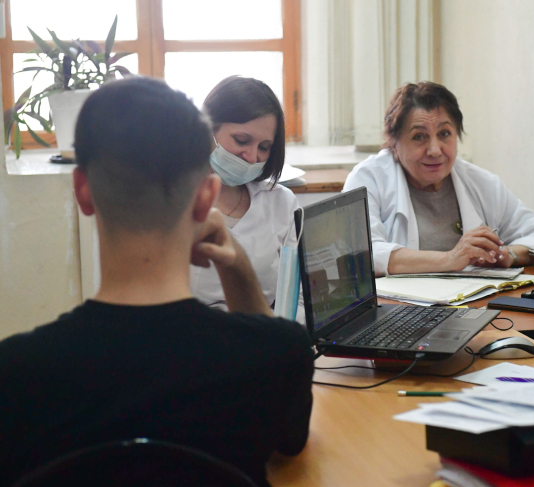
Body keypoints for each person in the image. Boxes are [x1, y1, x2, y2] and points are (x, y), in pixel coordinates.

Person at [0, 77, 313, 487]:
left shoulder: (16, 374)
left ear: (82, 191)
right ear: (206, 198)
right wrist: (238, 266)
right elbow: (289, 447)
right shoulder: (278, 357)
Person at [343, 81, 534, 276]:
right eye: (419, 137)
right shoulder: (368, 179)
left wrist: (509, 255)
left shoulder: (481, 183)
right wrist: (450, 259)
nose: (435, 150)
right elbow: (360, 255)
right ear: (394, 143)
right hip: (398, 306)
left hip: (473, 303)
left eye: (444, 134)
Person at [191, 76, 300, 310]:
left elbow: (299, 297)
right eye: (241, 140)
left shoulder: (281, 202)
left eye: (264, 147)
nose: (251, 157)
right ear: (207, 129)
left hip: (263, 329)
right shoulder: (171, 200)